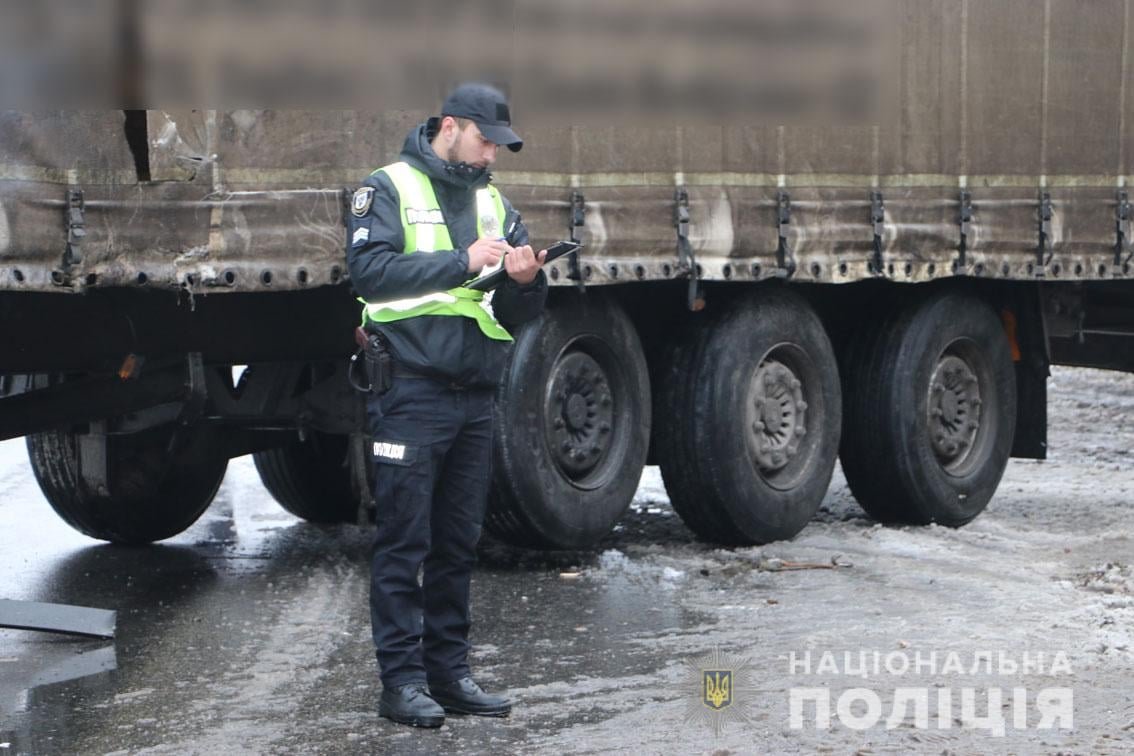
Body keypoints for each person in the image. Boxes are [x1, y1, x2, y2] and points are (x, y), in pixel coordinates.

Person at [346, 82, 548, 728]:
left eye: (498, 147)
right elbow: (370, 274)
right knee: (405, 541)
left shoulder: (494, 202)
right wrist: (460, 261)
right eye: (485, 141)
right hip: (410, 389)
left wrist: (526, 281)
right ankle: (401, 684)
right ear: (452, 127)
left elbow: (513, 312)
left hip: (474, 395)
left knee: (458, 542)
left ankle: (450, 675)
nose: (491, 155)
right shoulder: (387, 188)